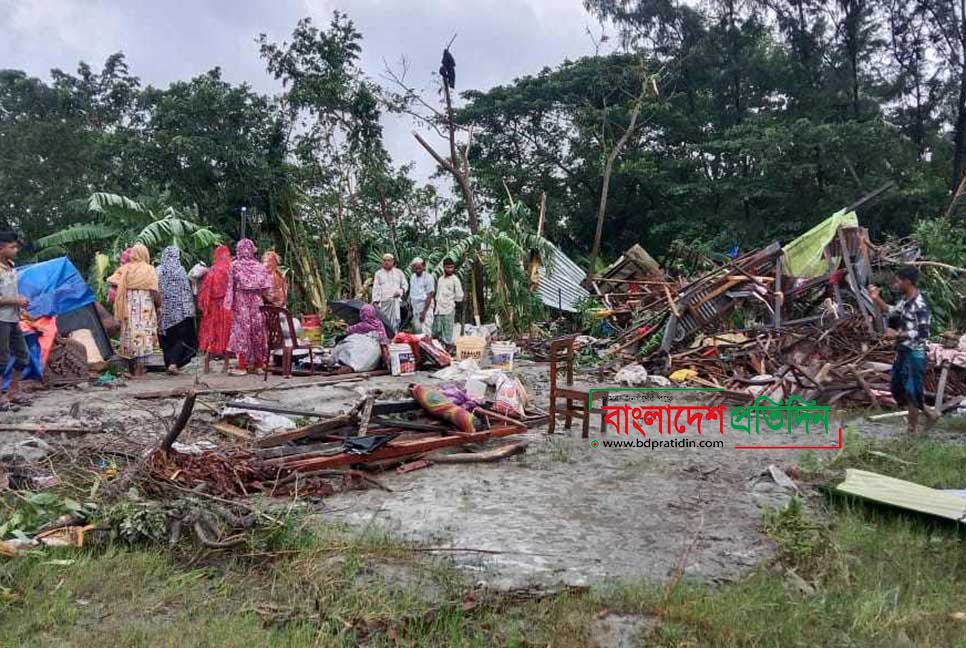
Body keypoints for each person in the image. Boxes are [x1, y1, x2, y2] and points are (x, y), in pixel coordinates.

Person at [869, 266, 939, 435]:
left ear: (907, 281)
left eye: (898, 280)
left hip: (915, 352)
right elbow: (891, 311)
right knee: (897, 388)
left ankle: (911, 431)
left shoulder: (920, 305)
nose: (896, 283)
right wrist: (876, 298)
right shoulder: (905, 300)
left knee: (911, 390)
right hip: (902, 351)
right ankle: (930, 412)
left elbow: (923, 333)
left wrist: (897, 334)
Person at [108, 243, 159, 378]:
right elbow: (154, 290)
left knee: (130, 335)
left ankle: (131, 369)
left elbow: (111, 280)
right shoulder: (149, 270)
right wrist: (158, 305)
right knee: (143, 336)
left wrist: (127, 284)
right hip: (145, 307)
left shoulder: (125, 269)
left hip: (129, 306)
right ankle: (140, 371)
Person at [225, 238, 272, 375]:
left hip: (241, 302)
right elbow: (266, 288)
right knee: (258, 332)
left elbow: (229, 287)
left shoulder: (234, 266)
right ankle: (259, 365)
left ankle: (242, 366)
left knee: (241, 332)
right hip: (257, 302)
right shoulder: (260, 267)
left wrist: (228, 304)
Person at [156, 246, 197, 374]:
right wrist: (190, 311)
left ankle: (169, 363)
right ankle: (174, 364)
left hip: (164, 312)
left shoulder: (158, 270)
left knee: (166, 340)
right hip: (180, 313)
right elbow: (186, 292)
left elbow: (155, 290)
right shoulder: (181, 271)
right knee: (180, 339)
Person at [0, 231, 30, 409]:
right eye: (12, 247)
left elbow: (9, 293)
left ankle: (13, 392)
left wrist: (21, 304)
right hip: (1, 320)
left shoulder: (11, 266)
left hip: (12, 319)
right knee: (1, 359)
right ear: (1, 249)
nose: (16, 250)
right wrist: (16, 301)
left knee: (22, 355)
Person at [197, 245, 233, 373]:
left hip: (212, 308)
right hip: (226, 307)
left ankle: (206, 365)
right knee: (226, 335)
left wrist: (204, 307)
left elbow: (204, 291)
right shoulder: (230, 270)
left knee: (210, 335)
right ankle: (226, 366)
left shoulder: (211, 271)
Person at [371, 253, 407, 335]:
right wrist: (375, 301)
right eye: (385, 260)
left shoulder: (399, 272)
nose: (386, 262)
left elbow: (405, 285)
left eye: (389, 260)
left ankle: (395, 337)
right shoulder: (378, 273)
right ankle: (386, 338)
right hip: (384, 302)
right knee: (384, 321)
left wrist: (400, 292)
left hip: (395, 301)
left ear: (393, 261)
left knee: (396, 320)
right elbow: (376, 288)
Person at [433, 257, 464, 348]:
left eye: (451, 267)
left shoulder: (455, 280)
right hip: (439, 309)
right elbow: (438, 294)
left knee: (448, 332)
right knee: (437, 331)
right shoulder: (440, 279)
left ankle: (448, 349)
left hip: (448, 309)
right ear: (444, 267)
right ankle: (440, 349)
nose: (450, 269)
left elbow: (459, 296)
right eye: (448, 267)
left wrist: (453, 304)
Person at [409, 257, 435, 336]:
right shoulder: (412, 277)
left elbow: (429, 295)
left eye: (419, 268)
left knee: (426, 329)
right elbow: (412, 293)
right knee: (418, 329)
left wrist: (424, 312)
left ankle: (427, 347)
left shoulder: (429, 277)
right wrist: (410, 308)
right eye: (416, 268)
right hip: (415, 306)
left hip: (425, 306)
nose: (417, 270)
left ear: (424, 267)